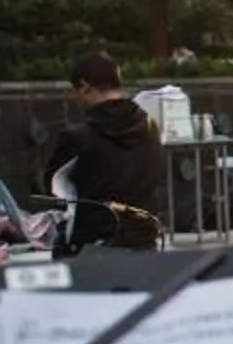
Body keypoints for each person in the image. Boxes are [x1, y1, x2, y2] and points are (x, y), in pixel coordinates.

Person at [45, 50, 166, 251]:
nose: (74, 98)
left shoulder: (78, 137)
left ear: (84, 87)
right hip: (145, 242)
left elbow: (53, 190)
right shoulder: (151, 127)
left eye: (74, 91)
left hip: (92, 248)